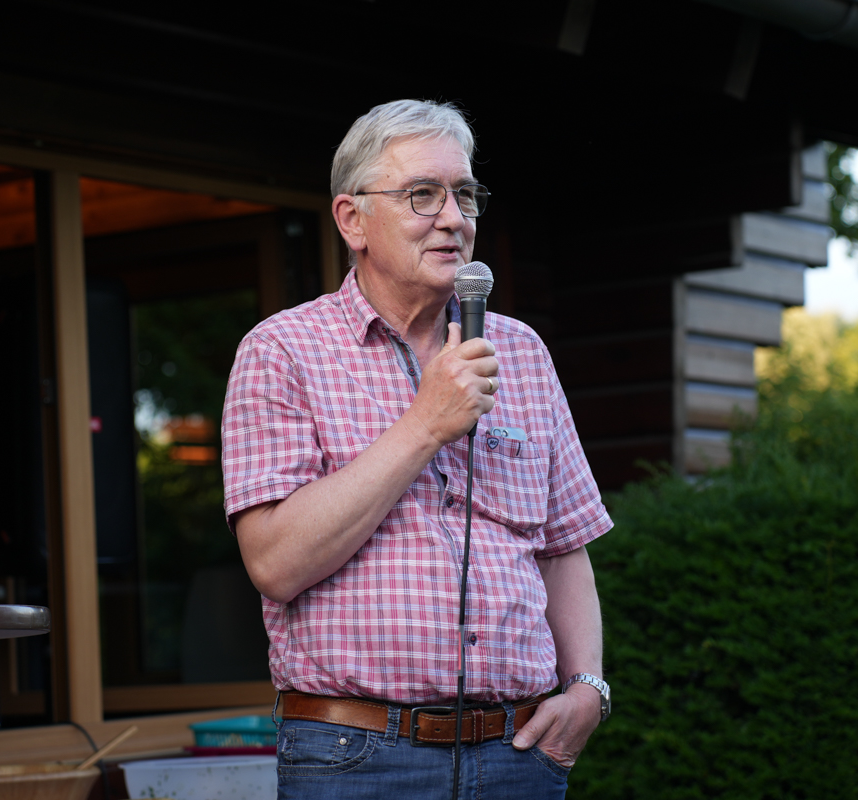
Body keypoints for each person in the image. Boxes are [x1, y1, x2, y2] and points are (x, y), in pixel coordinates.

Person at [221, 99, 612, 799]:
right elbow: (275, 564)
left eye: (465, 194)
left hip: (520, 754)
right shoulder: (282, 350)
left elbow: (563, 547)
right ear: (353, 220)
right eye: (422, 195)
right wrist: (424, 424)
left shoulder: (521, 351)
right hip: (356, 755)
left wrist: (587, 688)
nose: (454, 218)